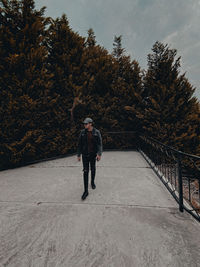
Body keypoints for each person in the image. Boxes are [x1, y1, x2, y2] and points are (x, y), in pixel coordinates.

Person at [77, 117, 103, 200]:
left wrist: (99, 154)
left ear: (90, 124)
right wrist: (78, 155)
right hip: (85, 155)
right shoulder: (82, 133)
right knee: (85, 171)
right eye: (84, 124)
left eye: (86, 124)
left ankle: (92, 182)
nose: (85, 125)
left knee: (93, 169)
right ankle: (85, 191)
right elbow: (79, 144)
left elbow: (99, 144)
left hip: (93, 155)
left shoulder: (96, 132)